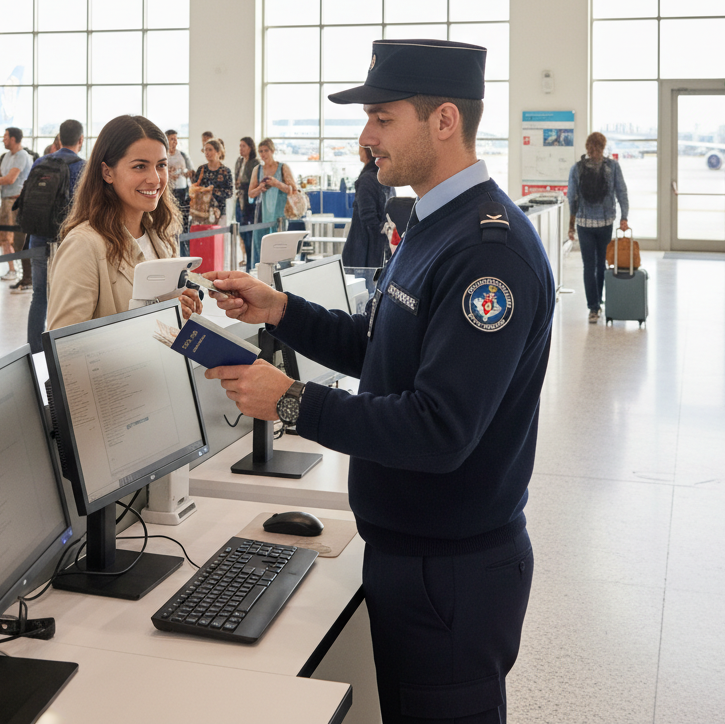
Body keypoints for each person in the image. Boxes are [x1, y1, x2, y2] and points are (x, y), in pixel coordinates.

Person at [203, 39, 556, 724]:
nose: (365, 137)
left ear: (444, 120)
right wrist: (281, 309)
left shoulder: (490, 254)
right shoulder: (430, 222)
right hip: (410, 554)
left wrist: (292, 401)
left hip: (451, 573)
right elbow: (377, 343)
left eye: (382, 118)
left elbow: (439, 429)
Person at [46, 115, 201, 331]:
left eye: (161, 165)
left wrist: (176, 309)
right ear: (107, 172)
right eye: (140, 166)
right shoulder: (83, 246)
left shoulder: (160, 236)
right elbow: (65, 350)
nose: (155, 179)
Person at [24, 118, 86, 352]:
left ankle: (34, 350)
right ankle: (62, 348)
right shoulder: (82, 167)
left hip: (38, 237)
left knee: (39, 293)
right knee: (70, 295)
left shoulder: (40, 162)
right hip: (68, 241)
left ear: (59, 138)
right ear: (81, 140)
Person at [567, 131, 630, 323]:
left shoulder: (576, 168)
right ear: (603, 147)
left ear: (587, 147)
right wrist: (624, 217)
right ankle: (599, 302)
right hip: (605, 223)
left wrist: (571, 226)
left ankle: (593, 308)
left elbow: (572, 197)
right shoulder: (612, 167)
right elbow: (621, 192)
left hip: (584, 224)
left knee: (588, 265)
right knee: (601, 263)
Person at [0, 127, 32, 288]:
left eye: (6, 137)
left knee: (17, 240)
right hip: (5, 200)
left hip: (15, 202)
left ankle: (24, 274)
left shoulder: (22, 156)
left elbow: (10, 179)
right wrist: (0, 180)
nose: (3, 139)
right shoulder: (6, 156)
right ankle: (12, 269)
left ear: (14, 139)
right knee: (3, 238)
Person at [342, 146, 394, 268]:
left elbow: (367, 216)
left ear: (368, 153)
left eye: (361, 149)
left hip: (363, 251)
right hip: (380, 250)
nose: (359, 151)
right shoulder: (385, 177)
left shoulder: (366, 179)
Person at [248, 137, 295, 268]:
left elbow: (292, 190)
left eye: (266, 150)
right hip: (261, 215)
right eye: (261, 151)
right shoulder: (257, 170)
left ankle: (282, 276)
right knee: (260, 248)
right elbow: (251, 193)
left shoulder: (283, 168)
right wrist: (260, 188)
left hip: (279, 214)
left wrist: (276, 183)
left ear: (272, 151)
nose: (263, 154)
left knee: (280, 248)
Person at [233, 136, 260, 268]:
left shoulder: (255, 163)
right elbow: (236, 178)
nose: (241, 149)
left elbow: (253, 182)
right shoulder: (239, 161)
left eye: (243, 146)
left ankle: (251, 262)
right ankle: (247, 260)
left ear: (250, 148)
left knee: (250, 231)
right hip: (240, 197)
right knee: (241, 230)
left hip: (250, 201)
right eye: (240, 146)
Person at [166, 129, 193, 255]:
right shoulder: (163, 155)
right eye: (172, 139)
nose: (175, 142)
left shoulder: (183, 155)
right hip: (169, 192)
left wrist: (185, 172)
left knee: (184, 223)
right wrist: (169, 174)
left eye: (176, 139)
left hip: (183, 192)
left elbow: (191, 173)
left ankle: (185, 253)